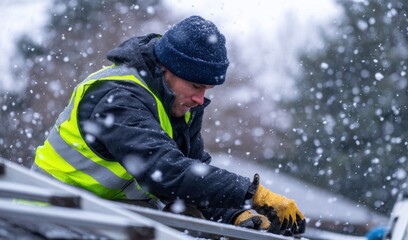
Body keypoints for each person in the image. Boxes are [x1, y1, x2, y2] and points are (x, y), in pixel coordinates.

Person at [31, 15, 306, 236]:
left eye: (207, 89)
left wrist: (234, 214)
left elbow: (193, 172)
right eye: (196, 86)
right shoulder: (117, 97)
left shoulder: (180, 104)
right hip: (46, 213)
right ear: (167, 69)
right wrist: (250, 193)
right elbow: (165, 171)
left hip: (105, 216)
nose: (201, 99)